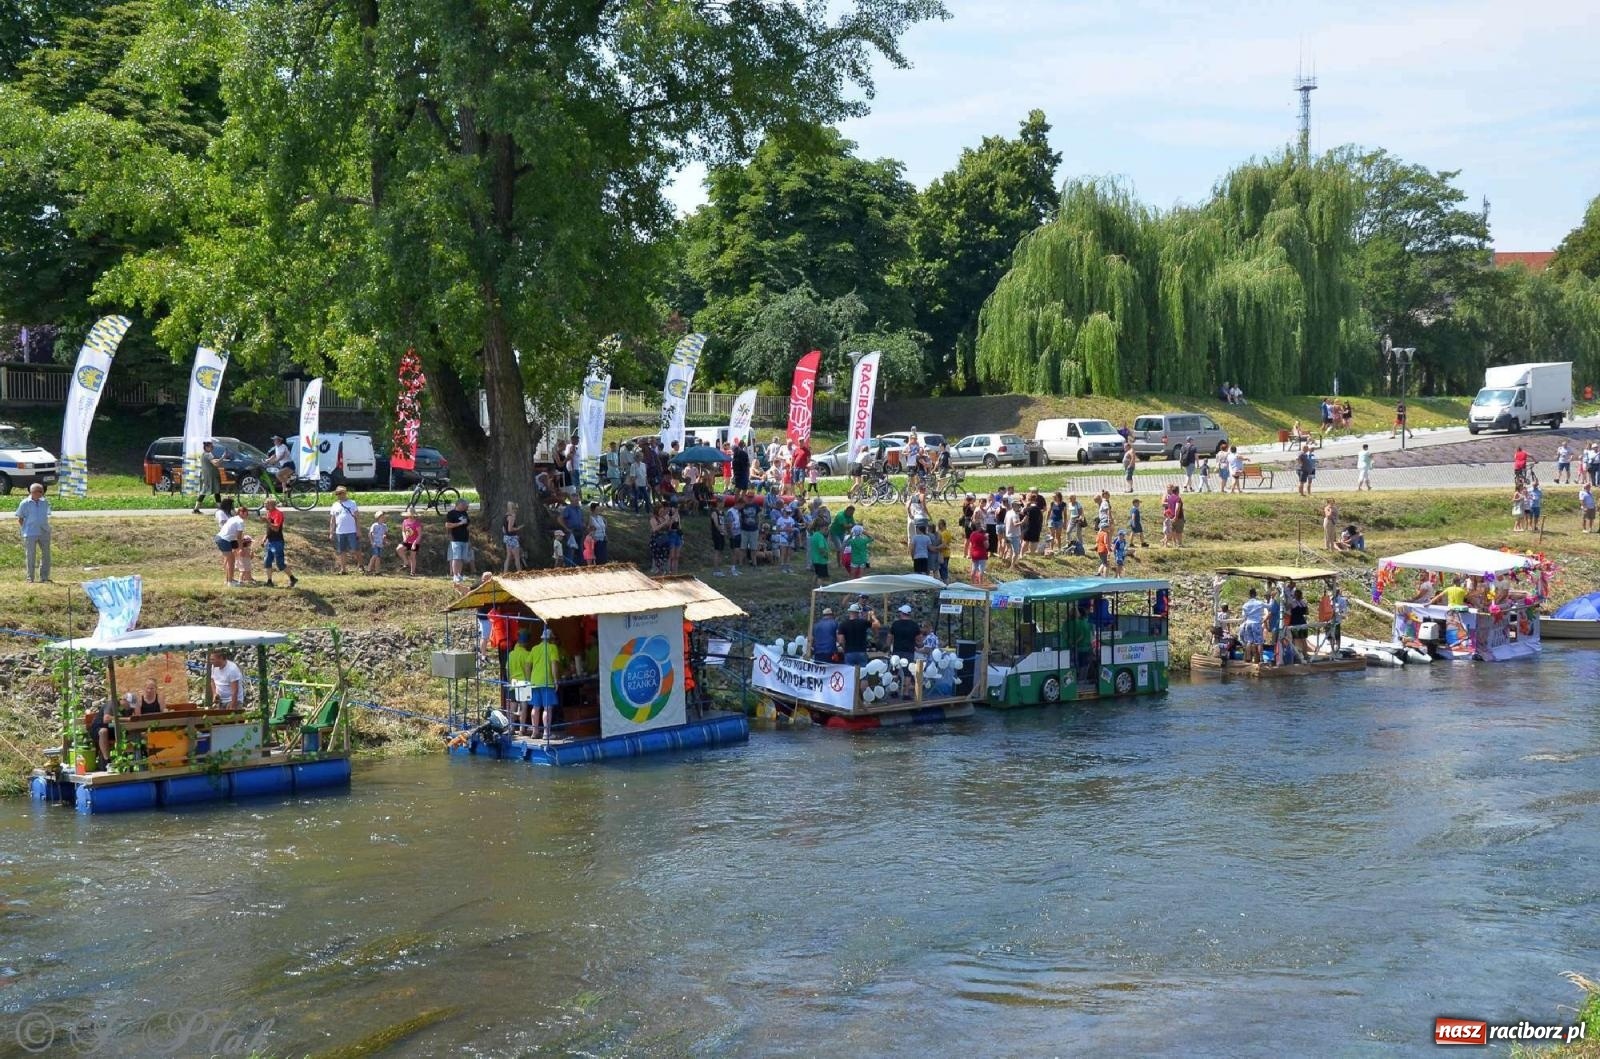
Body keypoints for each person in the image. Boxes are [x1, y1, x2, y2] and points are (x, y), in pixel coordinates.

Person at [524, 626, 564, 740]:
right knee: (547, 708)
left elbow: (527, 664)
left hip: (534, 682)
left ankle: (535, 732)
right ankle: (546, 733)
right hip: (547, 681)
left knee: (535, 707)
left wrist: (528, 679)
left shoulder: (534, 649)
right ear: (551, 639)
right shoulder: (552, 648)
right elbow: (554, 664)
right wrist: (556, 679)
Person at [16, 482, 51, 583]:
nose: (42, 493)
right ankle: (30, 578)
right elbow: (20, 518)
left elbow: (46, 515)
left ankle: (44, 577)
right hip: (30, 533)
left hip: (44, 531)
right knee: (31, 555)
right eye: (40, 491)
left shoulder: (45, 502)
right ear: (33, 492)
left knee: (46, 555)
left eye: (42, 491)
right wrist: (25, 529)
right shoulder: (24, 503)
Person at [260, 497, 298, 588]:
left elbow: (276, 528)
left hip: (277, 541)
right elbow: (269, 528)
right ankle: (269, 581)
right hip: (270, 541)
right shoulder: (269, 512)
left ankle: (293, 578)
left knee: (280, 563)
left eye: (266, 504)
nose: (264, 505)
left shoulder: (278, 514)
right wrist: (264, 538)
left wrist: (267, 521)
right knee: (267, 561)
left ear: (272, 505)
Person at [328, 486, 360, 574]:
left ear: (345, 493)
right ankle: (343, 569)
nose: (338, 495)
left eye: (340, 493)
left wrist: (358, 530)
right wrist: (331, 532)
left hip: (351, 530)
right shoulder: (335, 505)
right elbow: (332, 520)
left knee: (355, 549)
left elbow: (357, 517)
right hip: (340, 531)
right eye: (337, 494)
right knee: (342, 551)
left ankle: (360, 565)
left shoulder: (352, 503)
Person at [215, 503, 246, 585]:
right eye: (245, 512)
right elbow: (239, 537)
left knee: (230, 560)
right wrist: (241, 549)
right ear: (240, 513)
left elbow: (233, 535)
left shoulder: (233, 518)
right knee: (231, 561)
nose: (247, 514)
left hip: (220, 538)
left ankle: (228, 580)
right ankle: (230, 582)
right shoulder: (240, 521)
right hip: (224, 540)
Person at [191, 439, 224, 514]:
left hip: (206, 477)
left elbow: (215, 462)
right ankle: (220, 509)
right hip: (211, 477)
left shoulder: (203, 454)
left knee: (205, 492)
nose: (212, 448)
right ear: (206, 447)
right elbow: (216, 464)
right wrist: (223, 457)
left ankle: (196, 509)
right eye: (211, 446)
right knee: (216, 491)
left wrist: (220, 459)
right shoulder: (208, 454)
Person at [445, 498, 471, 582]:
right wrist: (459, 523)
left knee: (462, 558)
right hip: (455, 539)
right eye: (463, 505)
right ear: (458, 504)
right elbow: (447, 525)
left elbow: (467, 524)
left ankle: (459, 575)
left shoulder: (464, 513)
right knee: (456, 557)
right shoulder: (451, 513)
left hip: (465, 539)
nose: (465, 506)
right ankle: (455, 575)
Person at [1239, 587, 1267, 664]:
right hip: (1256, 623)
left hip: (1248, 623)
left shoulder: (1245, 605)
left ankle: (1248, 658)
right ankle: (1261, 658)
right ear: (1255, 594)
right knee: (1259, 642)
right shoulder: (1260, 603)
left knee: (1249, 641)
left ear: (1249, 595)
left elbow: (1244, 616)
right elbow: (1269, 607)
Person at [398, 507, 422, 576]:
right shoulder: (405, 521)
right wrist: (404, 537)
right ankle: (406, 561)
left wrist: (415, 543)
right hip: (407, 541)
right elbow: (403, 531)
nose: (410, 516)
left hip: (415, 542)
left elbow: (419, 534)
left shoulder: (417, 523)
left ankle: (412, 572)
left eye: (412, 515)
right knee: (399, 549)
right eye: (409, 514)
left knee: (412, 556)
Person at [966, 520, 990, 586]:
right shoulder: (982, 536)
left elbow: (971, 544)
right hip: (982, 554)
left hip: (974, 554)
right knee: (981, 570)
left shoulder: (972, 534)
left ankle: (972, 583)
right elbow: (987, 546)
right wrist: (987, 538)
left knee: (974, 569)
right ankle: (980, 583)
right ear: (978, 527)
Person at [502, 502, 524, 572]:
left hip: (507, 538)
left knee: (508, 556)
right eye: (515, 509)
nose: (516, 511)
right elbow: (510, 529)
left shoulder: (505, 516)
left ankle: (505, 572)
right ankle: (519, 572)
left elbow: (503, 529)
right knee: (517, 557)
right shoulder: (511, 517)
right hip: (512, 538)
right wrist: (518, 528)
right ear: (513, 509)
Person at [808, 520, 831, 587]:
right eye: (826, 529)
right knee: (821, 577)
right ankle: (820, 592)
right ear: (821, 528)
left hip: (815, 559)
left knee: (816, 574)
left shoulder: (814, 535)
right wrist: (827, 558)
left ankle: (812, 589)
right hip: (821, 561)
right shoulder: (820, 537)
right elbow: (821, 549)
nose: (827, 531)